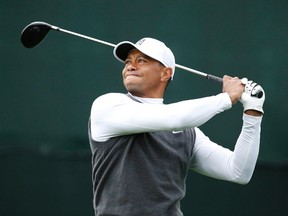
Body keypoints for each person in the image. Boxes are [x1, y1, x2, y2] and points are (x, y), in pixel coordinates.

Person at [88, 37, 265, 216]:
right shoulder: (108, 106)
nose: (130, 66)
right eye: (128, 61)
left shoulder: (189, 133)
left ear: (165, 73)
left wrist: (253, 112)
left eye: (141, 60)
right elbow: (173, 118)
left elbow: (238, 171)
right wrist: (227, 98)